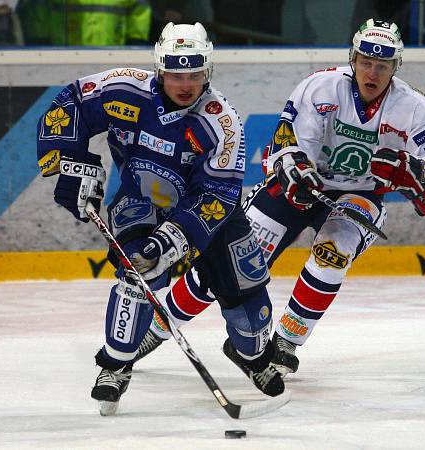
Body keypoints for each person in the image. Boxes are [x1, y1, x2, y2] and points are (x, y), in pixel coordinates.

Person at [132, 18, 425, 377]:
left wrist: (416, 171)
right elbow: (287, 145)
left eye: (382, 65)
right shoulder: (320, 87)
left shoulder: (414, 107)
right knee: (233, 263)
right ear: (353, 59)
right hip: (296, 190)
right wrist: (297, 171)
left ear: (396, 67)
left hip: (359, 196)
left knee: (333, 253)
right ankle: (156, 329)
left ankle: (285, 342)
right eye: (366, 62)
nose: (373, 72)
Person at [36, 21, 284, 416]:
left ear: (208, 71)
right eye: (175, 73)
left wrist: (171, 240)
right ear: (159, 69)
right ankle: (115, 366)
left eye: (195, 73)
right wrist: (73, 164)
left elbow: (216, 195)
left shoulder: (222, 121)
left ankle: (252, 356)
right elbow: (71, 104)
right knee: (139, 274)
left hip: (210, 216)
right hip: (141, 202)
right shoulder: (124, 88)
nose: (185, 83)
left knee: (249, 301)